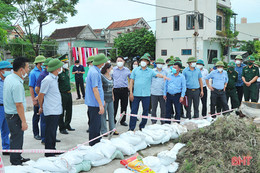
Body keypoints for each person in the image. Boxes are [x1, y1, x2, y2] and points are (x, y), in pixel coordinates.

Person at [129, 56, 168, 131]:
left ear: (147, 62)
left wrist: (164, 76)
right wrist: (131, 92)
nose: (143, 62)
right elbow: (131, 81)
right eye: (142, 60)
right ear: (140, 62)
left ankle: (142, 126)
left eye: (145, 61)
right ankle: (131, 127)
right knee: (134, 111)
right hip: (136, 94)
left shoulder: (150, 71)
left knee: (145, 111)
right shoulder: (135, 70)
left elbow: (157, 75)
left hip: (146, 95)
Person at [4, 57, 30, 165]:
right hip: (15, 116)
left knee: (16, 137)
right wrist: (23, 121)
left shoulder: (9, 78)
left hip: (10, 114)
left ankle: (18, 156)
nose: (28, 69)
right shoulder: (16, 84)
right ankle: (15, 161)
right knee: (17, 138)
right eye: (27, 67)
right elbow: (18, 105)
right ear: (21, 70)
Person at [38, 59, 63, 157]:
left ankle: (53, 149)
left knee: (53, 132)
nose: (61, 68)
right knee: (50, 132)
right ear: (57, 69)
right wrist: (41, 106)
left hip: (56, 109)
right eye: (60, 67)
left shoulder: (55, 78)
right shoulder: (47, 80)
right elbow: (41, 94)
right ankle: (49, 153)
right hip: (51, 110)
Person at [85, 54, 107, 146]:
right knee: (94, 126)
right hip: (94, 104)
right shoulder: (94, 72)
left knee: (96, 125)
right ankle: (93, 144)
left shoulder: (94, 70)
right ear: (101, 63)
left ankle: (96, 142)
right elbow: (95, 89)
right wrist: (100, 105)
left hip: (95, 102)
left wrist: (102, 101)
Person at [35, 58, 57, 145]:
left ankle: (51, 138)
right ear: (47, 66)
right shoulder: (43, 75)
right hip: (44, 101)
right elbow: (37, 89)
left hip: (50, 102)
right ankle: (44, 138)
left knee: (51, 123)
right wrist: (42, 98)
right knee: (44, 121)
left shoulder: (51, 75)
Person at [29, 55, 46, 140]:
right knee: (36, 117)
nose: (43, 64)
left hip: (43, 97)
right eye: (42, 62)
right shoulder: (33, 73)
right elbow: (31, 87)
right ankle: (36, 133)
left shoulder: (44, 71)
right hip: (37, 98)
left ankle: (44, 134)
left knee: (44, 117)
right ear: (38, 63)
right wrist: (33, 100)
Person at [101, 63, 119, 135]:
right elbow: (100, 89)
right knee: (103, 115)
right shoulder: (102, 77)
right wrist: (102, 99)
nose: (112, 70)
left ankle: (112, 129)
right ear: (107, 69)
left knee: (111, 114)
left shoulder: (111, 77)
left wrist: (113, 96)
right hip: (104, 98)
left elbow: (112, 88)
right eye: (111, 68)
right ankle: (104, 131)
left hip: (110, 98)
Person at [58, 56, 75, 135]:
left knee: (69, 110)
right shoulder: (59, 73)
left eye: (66, 63)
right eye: (65, 63)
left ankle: (67, 124)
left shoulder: (67, 71)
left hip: (69, 93)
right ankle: (62, 127)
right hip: (62, 93)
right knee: (62, 111)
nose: (66, 64)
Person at [112, 57, 131, 126]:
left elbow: (131, 78)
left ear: (124, 62)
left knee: (124, 106)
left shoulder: (127, 70)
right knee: (114, 106)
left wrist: (130, 86)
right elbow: (110, 78)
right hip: (115, 90)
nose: (119, 62)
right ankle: (113, 119)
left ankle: (122, 120)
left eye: (121, 60)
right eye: (118, 61)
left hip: (124, 90)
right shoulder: (113, 69)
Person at [0, 61, 12, 155]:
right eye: (7, 69)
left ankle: (6, 148)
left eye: (10, 69)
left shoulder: (8, 80)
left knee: (6, 129)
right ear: (1, 70)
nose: (9, 71)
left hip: (7, 107)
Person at [151, 58, 168, 124]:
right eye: (158, 63)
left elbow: (167, 83)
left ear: (163, 64)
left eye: (161, 63)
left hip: (162, 93)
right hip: (154, 92)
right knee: (154, 108)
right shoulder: (152, 71)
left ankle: (162, 120)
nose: (159, 65)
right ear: (156, 64)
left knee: (163, 108)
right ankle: (153, 121)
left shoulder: (165, 72)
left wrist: (166, 92)